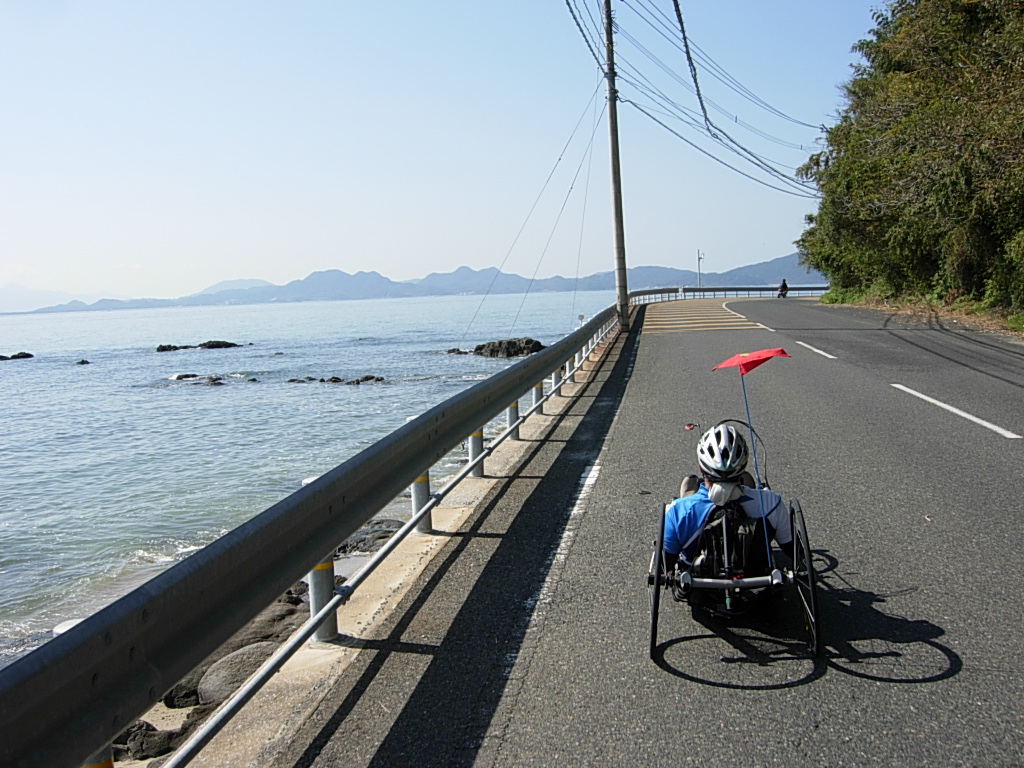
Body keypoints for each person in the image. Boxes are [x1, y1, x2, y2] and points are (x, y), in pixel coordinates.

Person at [663, 423, 792, 572]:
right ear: (743, 464)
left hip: (697, 581)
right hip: (758, 580)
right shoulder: (771, 502)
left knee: (686, 490)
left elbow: (665, 565)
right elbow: (794, 551)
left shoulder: (677, 511)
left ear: (701, 467)